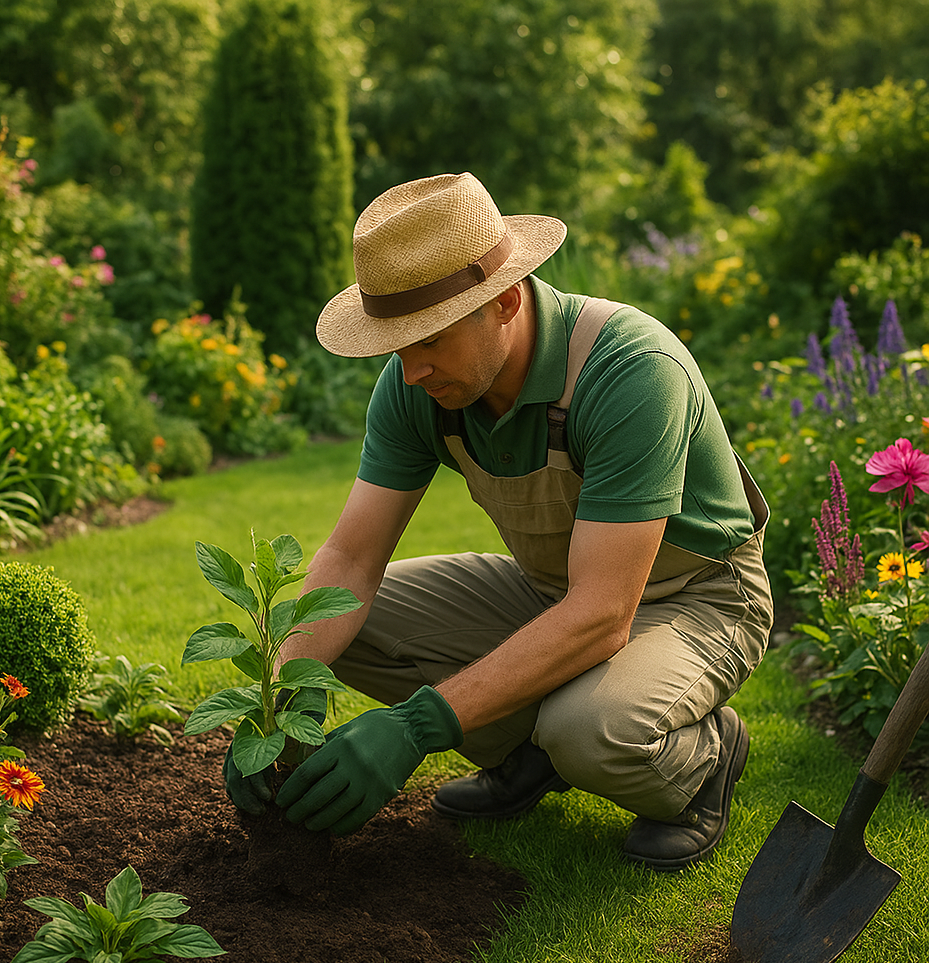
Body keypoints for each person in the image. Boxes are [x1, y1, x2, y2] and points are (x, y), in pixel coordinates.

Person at [226, 171, 774, 871]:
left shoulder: (630, 370)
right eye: (396, 343)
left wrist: (416, 728)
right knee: (341, 618)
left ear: (507, 300)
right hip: (554, 590)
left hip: (695, 598)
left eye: (430, 339)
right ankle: (524, 757)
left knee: (590, 730)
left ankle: (705, 761)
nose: (411, 369)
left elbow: (605, 613)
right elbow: (350, 561)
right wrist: (281, 700)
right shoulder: (417, 385)